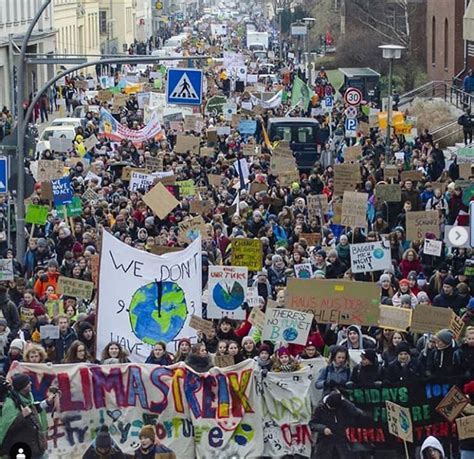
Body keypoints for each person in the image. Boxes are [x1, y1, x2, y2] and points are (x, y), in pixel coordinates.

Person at [0, 373, 58, 457]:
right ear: (22, 386)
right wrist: (21, 417)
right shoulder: (10, 404)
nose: (30, 383)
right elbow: (6, 429)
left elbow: (32, 409)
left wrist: (47, 402)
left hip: (35, 448)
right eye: (28, 382)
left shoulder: (27, 397)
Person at [310, 391, 367, 459]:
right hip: (325, 444)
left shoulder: (344, 406)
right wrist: (323, 429)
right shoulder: (320, 408)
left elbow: (358, 414)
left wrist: (346, 402)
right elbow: (312, 424)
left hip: (342, 442)